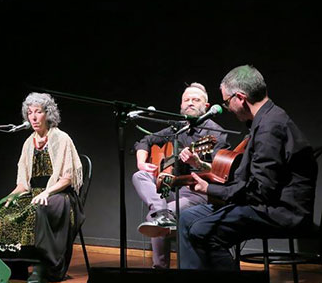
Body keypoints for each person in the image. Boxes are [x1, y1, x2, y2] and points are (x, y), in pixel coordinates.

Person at [179, 65, 317, 270]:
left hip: (280, 210)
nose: (228, 109)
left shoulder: (270, 128)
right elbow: (251, 177)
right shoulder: (263, 121)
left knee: (203, 231)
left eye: (227, 102)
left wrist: (210, 189)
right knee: (187, 217)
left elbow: (259, 191)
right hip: (263, 202)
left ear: (240, 98)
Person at [132, 83, 229, 269]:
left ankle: (160, 269)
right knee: (139, 175)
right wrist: (142, 162)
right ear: (181, 106)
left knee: (154, 219)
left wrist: (197, 163)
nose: (190, 103)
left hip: (197, 191)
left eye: (196, 100)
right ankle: (162, 212)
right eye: (187, 100)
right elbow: (146, 140)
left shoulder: (215, 132)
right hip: (173, 187)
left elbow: (221, 171)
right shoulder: (178, 127)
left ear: (206, 106)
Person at [0, 92, 85, 283]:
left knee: (38, 209)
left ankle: (42, 266)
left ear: (48, 114)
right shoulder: (28, 143)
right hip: (33, 193)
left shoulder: (61, 138)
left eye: (38, 112)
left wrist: (46, 192)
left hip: (61, 195)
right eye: (30, 112)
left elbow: (67, 178)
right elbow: (23, 183)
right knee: (5, 210)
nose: (33, 117)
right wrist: (10, 197)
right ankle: (13, 266)